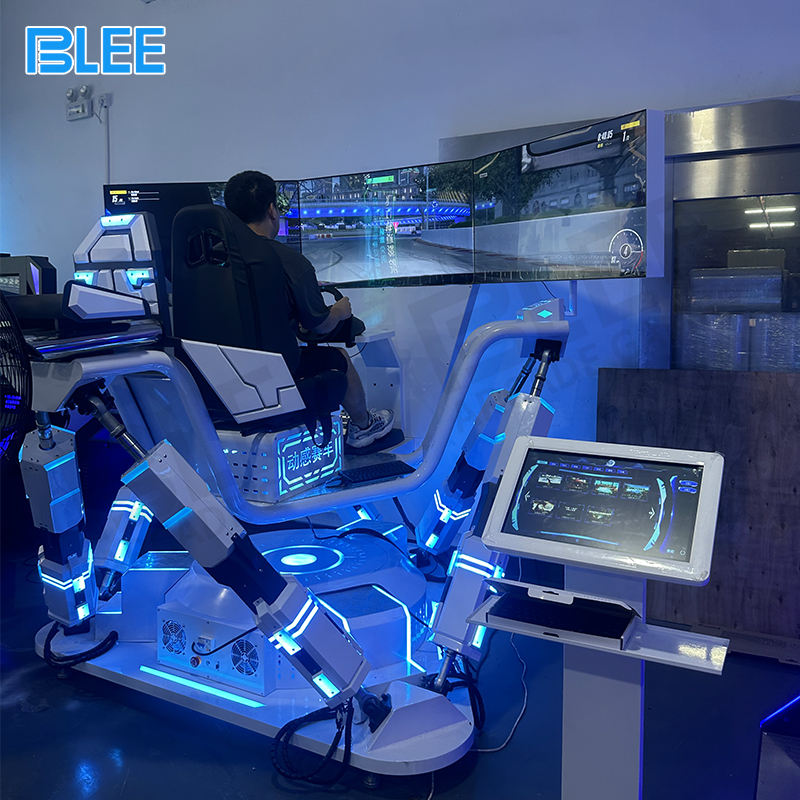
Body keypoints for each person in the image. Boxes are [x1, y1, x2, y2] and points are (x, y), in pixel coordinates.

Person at [223, 170, 393, 449]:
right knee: (338, 357)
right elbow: (320, 325)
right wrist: (339, 310)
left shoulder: (216, 258)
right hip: (275, 371)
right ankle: (363, 427)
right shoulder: (289, 260)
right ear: (272, 210)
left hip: (223, 372)